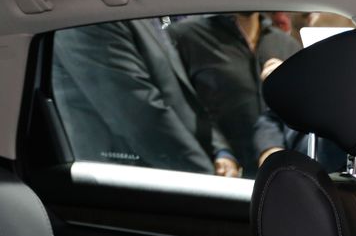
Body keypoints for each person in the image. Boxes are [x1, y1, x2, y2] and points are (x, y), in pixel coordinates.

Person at [53, 19, 239, 176]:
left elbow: (181, 93)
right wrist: (203, 177)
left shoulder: (144, 14)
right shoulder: (93, 19)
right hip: (130, 178)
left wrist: (220, 151)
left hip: (171, 169)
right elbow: (140, 116)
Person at [169, 12, 300, 175]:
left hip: (277, 175)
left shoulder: (287, 45)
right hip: (214, 173)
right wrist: (219, 151)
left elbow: (296, 115)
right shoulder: (185, 36)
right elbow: (179, 103)